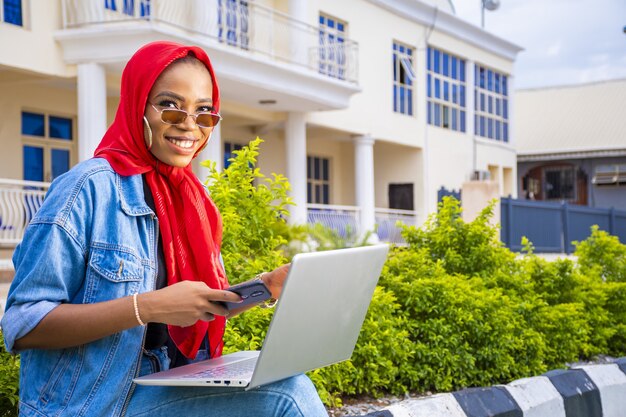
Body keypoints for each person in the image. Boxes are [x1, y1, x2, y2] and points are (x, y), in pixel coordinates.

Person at [1, 41, 328, 417]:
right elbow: (23, 324)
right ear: (139, 103)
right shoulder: (87, 188)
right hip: (95, 404)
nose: (190, 124)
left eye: (204, 112)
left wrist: (263, 288)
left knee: (278, 377)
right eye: (171, 107)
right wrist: (147, 308)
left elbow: (191, 306)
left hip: (164, 384)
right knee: (286, 395)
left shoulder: (192, 198)